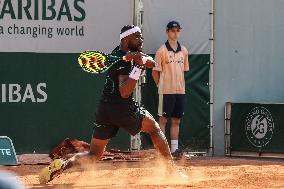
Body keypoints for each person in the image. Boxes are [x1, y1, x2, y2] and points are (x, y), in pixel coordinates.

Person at [39, 25, 187, 184]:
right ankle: (171, 170)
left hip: (105, 111)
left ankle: (62, 165)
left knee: (94, 155)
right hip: (122, 108)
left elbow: (153, 63)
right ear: (126, 39)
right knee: (154, 128)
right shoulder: (120, 62)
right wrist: (137, 67)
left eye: (141, 36)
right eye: (137, 36)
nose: (141, 39)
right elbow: (125, 92)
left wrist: (139, 57)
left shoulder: (125, 51)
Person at [152, 21, 189, 157]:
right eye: (172, 30)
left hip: (180, 91)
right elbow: (154, 72)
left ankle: (174, 150)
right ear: (167, 32)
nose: (175, 33)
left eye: (177, 30)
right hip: (165, 91)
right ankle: (162, 151)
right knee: (163, 120)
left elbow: (184, 70)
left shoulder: (184, 50)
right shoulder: (161, 51)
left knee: (176, 120)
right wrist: (160, 86)